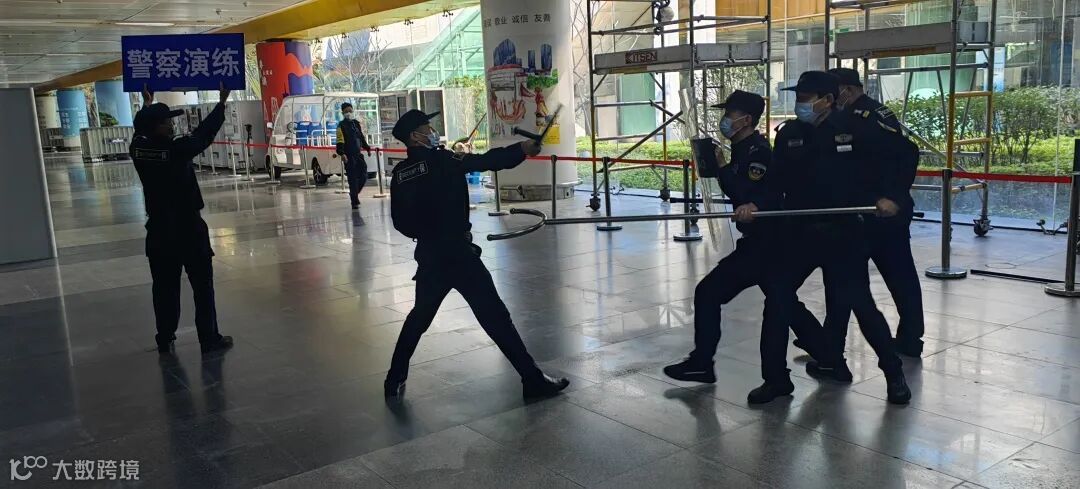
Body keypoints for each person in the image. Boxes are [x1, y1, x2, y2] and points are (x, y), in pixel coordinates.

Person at [383, 109, 569, 400]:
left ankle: (394, 378)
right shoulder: (443, 160)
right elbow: (486, 161)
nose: (433, 131)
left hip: (430, 255)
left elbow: (399, 221)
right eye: (428, 128)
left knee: (420, 317)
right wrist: (522, 149)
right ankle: (533, 381)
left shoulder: (401, 174)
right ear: (415, 136)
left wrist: (427, 234)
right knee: (495, 316)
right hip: (459, 255)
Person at [662, 91, 830, 404]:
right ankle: (827, 355)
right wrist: (720, 167)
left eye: (730, 114)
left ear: (747, 120)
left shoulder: (757, 152)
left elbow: (752, 194)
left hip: (768, 244)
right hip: (761, 242)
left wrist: (726, 172)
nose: (724, 120)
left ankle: (709, 365)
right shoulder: (741, 150)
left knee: (715, 294)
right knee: (783, 302)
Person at [770, 71, 911, 404]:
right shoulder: (790, 134)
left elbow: (904, 154)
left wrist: (892, 196)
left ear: (828, 100)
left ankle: (894, 373)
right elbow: (776, 180)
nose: (800, 104)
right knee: (777, 295)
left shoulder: (856, 128)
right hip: (801, 232)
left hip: (844, 232)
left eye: (806, 98)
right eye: (798, 98)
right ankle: (802, 367)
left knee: (861, 304)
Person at [129, 84, 234, 355]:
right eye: (166, 122)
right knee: (202, 286)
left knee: (164, 287)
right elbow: (203, 136)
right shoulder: (176, 150)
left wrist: (147, 105)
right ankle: (208, 339)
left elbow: (138, 132)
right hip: (188, 228)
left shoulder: (138, 150)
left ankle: (165, 337)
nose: (171, 125)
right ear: (156, 127)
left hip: (159, 231)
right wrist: (221, 103)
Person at [828, 67, 925, 356]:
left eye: (832, 93)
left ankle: (910, 339)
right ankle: (830, 345)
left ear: (847, 90)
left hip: (882, 215)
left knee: (898, 277)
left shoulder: (866, 117)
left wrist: (893, 198)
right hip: (858, 213)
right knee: (846, 280)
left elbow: (907, 153)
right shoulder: (851, 115)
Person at [335, 102, 373, 209]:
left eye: (350, 111)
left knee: (364, 175)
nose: (348, 113)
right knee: (352, 179)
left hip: (358, 155)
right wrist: (342, 153)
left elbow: (361, 137)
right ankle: (354, 201)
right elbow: (339, 140)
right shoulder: (341, 126)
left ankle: (354, 193)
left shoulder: (356, 123)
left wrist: (367, 148)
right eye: (346, 111)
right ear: (342, 113)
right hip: (348, 156)